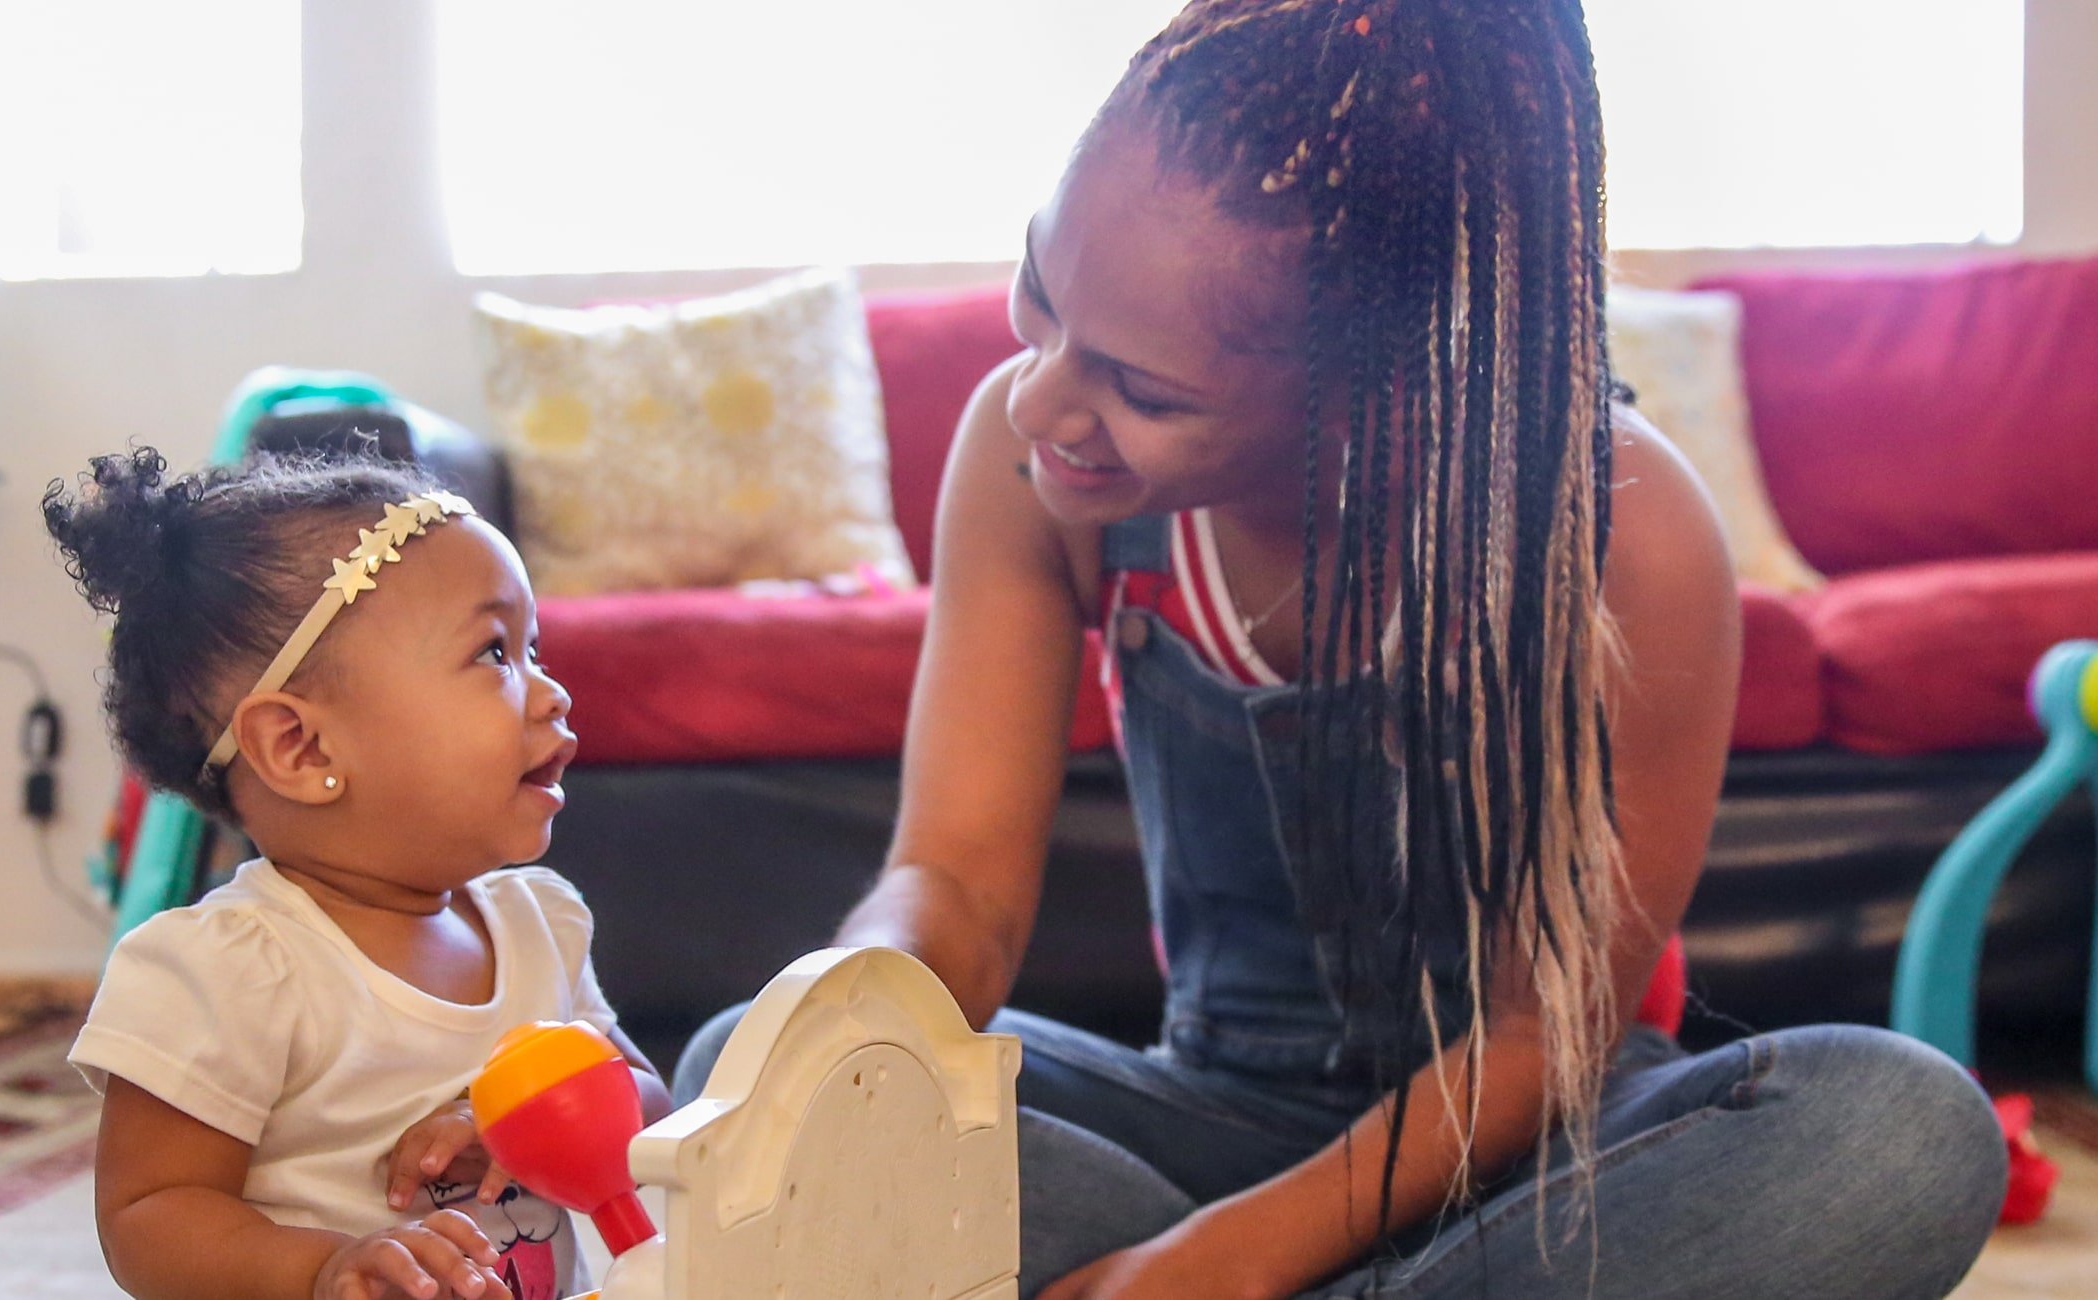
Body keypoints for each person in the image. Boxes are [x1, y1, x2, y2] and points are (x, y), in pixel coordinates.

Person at [676, 2, 2006, 1295]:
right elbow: (955, 889)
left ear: (1384, 388)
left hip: (1528, 1154)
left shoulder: (1622, 535)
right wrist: (835, 1030)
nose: (1042, 397)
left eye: (1141, 389)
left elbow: (1548, 1033)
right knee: (755, 1060)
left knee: (1901, 1135)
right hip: (1204, 1121)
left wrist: (1232, 1263)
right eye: (1040, 293)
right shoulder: (1027, 464)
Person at [50, 448, 662, 1300]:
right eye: (494, 653)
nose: (554, 693)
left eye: (535, 647)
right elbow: (148, 1215)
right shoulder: (229, 971)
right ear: (301, 748)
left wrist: (545, 1117)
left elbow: (648, 1104)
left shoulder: (540, 923)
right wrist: (322, 1267)